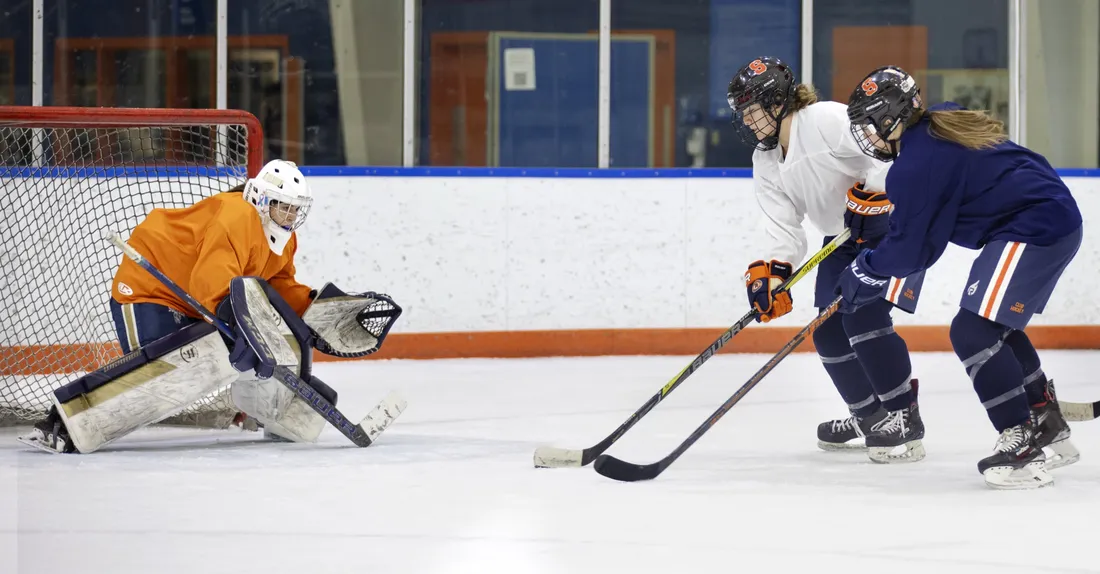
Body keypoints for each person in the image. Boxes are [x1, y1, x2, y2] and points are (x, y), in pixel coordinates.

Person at [20, 160, 400, 454]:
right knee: (165, 369)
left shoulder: (284, 239)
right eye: (284, 207)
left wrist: (316, 310)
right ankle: (63, 423)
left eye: (296, 209)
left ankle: (274, 413)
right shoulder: (236, 217)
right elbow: (210, 284)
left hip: (194, 294)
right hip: (148, 286)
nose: (291, 217)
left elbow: (280, 285)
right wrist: (243, 327)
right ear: (262, 200)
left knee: (227, 351)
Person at [840, 65, 1081, 489]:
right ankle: (1045, 417)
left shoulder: (917, 163)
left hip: (1035, 224)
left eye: (870, 122)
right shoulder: (937, 123)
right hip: (1044, 217)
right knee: (990, 327)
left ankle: (1021, 442)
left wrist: (867, 268)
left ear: (892, 116)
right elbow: (922, 235)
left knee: (971, 332)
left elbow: (914, 249)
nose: (867, 134)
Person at [727, 56, 926, 463]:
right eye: (743, 113)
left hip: (892, 231)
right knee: (829, 333)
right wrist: (773, 272)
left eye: (752, 110)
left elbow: (890, 151)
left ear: (777, 101)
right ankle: (870, 417)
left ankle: (903, 417)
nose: (747, 121)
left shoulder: (826, 119)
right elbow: (783, 224)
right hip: (841, 238)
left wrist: (875, 194)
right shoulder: (765, 161)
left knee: (863, 319)